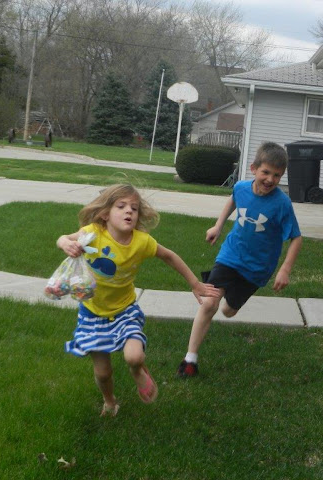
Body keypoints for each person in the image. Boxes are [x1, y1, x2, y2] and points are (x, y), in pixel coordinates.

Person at [57, 184, 221, 416]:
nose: (129, 211)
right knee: (103, 373)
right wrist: (66, 243)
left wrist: (195, 283)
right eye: (121, 206)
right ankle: (110, 401)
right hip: (92, 313)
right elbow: (63, 238)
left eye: (134, 208)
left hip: (125, 310)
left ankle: (137, 371)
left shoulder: (141, 242)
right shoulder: (92, 233)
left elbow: (169, 256)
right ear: (105, 213)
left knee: (134, 357)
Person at [177, 142, 303, 378]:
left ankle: (228, 295)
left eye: (277, 175)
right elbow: (234, 199)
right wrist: (218, 225)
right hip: (231, 255)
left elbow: (296, 238)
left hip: (257, 268)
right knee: (209, 303)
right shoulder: (241, 187)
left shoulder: (282, 204)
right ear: (254, 168)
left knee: (228, 311)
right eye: (266, 172)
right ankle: (190, 360)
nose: (270, 179)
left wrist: (285, 269)